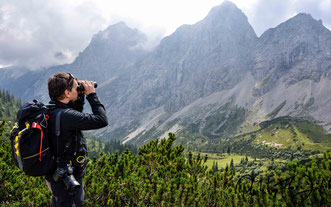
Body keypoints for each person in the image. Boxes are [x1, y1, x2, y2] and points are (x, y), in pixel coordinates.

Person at [45, 72, 108, 207]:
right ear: (67, 93)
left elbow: (75, 116)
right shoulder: (67, 117)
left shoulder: (52, 109)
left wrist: (79, 96)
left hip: (56, 175)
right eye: (75, 87)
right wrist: (92, 95)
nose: (78, 89)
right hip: (67, 180)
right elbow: (101, 120)